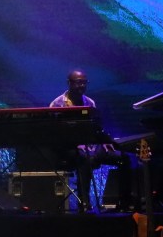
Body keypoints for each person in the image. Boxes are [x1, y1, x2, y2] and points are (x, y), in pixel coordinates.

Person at [50, 69, 133, 212]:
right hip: (69, 149)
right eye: (78, 82)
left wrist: (105, 142)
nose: (81, 86)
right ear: (69, 83)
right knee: (84, 159)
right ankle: (85, 204)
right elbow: (55, 135)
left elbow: (96, 128)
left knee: (124, 158)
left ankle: (124, 202)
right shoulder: (58, 104)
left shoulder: (89, 102)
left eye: (84, 82)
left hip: (91, 147)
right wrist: (76, 144)